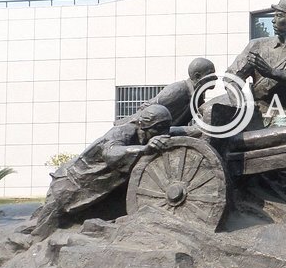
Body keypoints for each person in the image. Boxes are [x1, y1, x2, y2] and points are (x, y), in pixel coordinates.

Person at [21, 104, 174, 242]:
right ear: (144, 126)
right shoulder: (121, 132)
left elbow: (174, 132)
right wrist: (144, 149)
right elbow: (111, 153)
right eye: (159, 129)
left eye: (165, 128)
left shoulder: (150, 132)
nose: (162, 133)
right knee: (41, 233)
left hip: (102, 188)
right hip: (72, 183)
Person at [122, 57, 215, 128]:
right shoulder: (178, 90)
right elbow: (147, 109)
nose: (215, 78)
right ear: (198, 76)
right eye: (211, 74)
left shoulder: (198, 98)